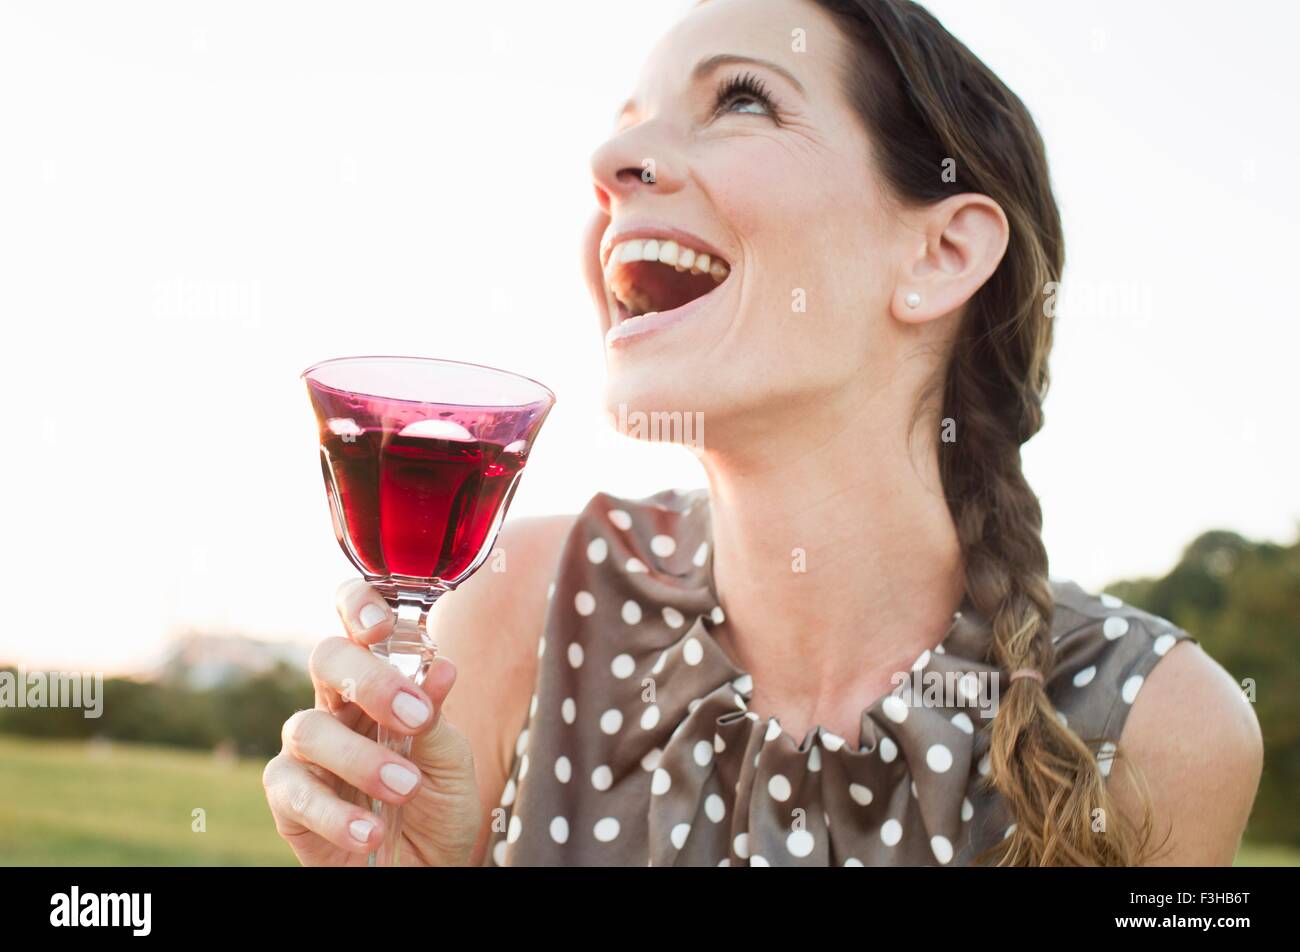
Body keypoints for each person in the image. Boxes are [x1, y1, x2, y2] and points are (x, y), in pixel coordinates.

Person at [263, 0, 1262, 866]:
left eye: (740, 99)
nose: (608, 164)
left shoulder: (1157, 726)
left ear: (942, 250)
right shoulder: (514, 605)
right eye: (629, 125)